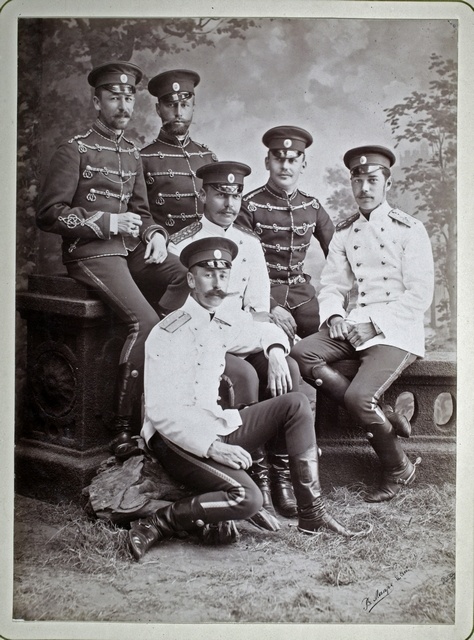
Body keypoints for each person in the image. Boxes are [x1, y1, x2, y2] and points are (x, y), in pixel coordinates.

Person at [128, 237, 370, 561]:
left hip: (215, 423)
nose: (217, 283)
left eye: (223, 273)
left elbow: (266, 330)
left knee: (295, 404)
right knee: (247, 498)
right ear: (190, 279)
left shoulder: (223, 321)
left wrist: (276, 353)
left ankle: (312, 513)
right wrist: (213, 447)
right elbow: (161, 412)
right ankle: (157, 523)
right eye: (208, 273)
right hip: (176, 439)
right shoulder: (169, 332)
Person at [36, 61, 189, 461]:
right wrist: (107, 221)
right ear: (96, 101)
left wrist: (155, 235)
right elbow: (49, 213)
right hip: (91, 252)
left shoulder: (131, 153)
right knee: (146, 322)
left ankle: (164, 392)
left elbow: (143, 211)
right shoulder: (75, 149)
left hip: (130, 250)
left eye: (127, 97)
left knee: (183, 276)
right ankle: (123, 429)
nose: (122, 105)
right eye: (113, 97)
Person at [291, 145, 434, 502]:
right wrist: (335, 316)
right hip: (357, 324)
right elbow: (334, 285)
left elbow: (420, 294)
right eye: (358, 180)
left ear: (387, 183)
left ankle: (398, 467)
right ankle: (385, 414)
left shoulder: (410, 229)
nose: (364, 188)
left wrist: (375, 323)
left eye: (372, 180)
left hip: (397, 328)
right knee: (302, 353)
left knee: (357, 397)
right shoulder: (345, 231)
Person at [168, 161, 302, 519]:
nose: (229, 203)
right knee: (244, 376)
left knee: (288, 367)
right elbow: (176, 310)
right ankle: (251, 474)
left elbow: (258, 311)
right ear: (203, 194)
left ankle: (282, 476)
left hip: (242, 334)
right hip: (201, 340)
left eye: (235, 195)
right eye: (220, 194)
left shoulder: (250, 244)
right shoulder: (180, 243)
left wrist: (274, 350)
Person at [237, 126, 335, 340]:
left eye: (292, 160)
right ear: (267, 162)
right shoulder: (248, 206)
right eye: (279, 159)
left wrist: (335, 298)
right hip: (263, 296)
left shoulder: (312, 206)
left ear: (303, 164)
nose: (285, 167)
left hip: (303, 296)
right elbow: (240, 266)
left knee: (330, 340)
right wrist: (269, 306)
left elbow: (339, 256)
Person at [140, 69, 218, 232]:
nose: (178, 113)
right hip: (164, 247)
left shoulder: (207, 158)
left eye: (184, 105)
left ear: (193, 107)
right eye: (170, 105)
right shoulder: (143, 159)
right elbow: (138, 213)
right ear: (158, 109)